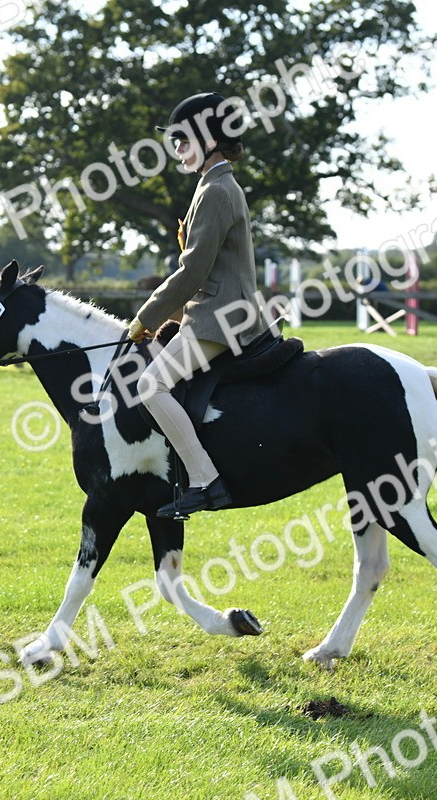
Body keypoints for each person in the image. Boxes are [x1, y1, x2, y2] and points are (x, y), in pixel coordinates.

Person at [128, 92, 270, 518]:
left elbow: (192, 273)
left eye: (184, 142)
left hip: (221, 318)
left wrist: (145, 318)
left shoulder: (217, 190)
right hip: (216, 310)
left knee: (149, 386)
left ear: (210, 138)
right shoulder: (212, 185)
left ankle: (206, 481)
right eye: (175, 144)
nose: (178, 152)